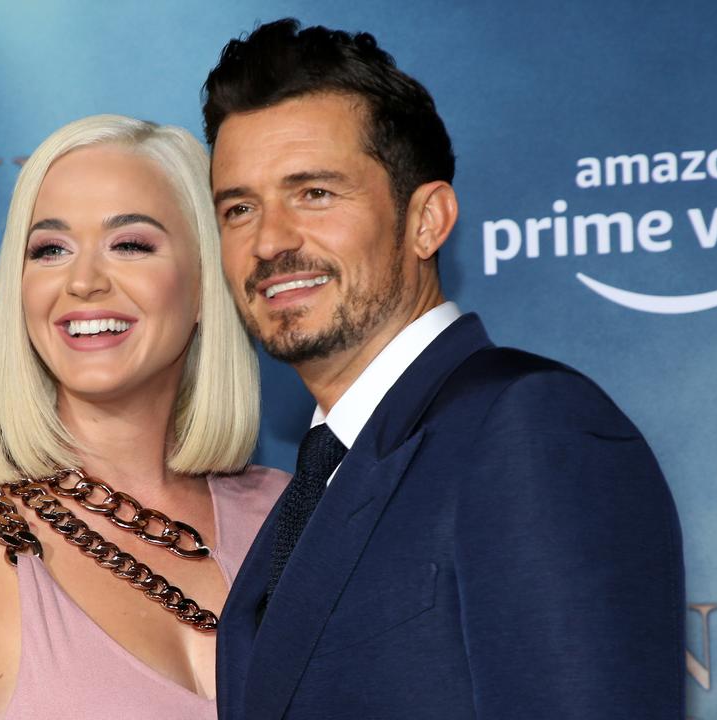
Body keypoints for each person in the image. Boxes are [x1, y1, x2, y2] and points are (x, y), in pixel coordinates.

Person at [203, 19, 686, 719]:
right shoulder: (314, 481)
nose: (270, 240)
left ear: (427, 220)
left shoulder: (532, 429)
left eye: (315, 194)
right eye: (240, 208)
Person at [0, 115, 288, 719]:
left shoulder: (295, 518)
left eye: (130, 244)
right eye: (50, 249)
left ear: (206, 282)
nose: (83, 281)